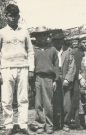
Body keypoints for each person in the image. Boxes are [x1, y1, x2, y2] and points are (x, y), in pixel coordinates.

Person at [0, 4, 34, 135]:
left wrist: (31, 69)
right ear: (6, 16)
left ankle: (23, 125)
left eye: (15, 15)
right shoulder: (1, 32)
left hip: (23, 68)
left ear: (19, 16)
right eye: (10, 15)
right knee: (6, 98)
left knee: (23, 98)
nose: (13, 18)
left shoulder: (24, 32)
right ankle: (8, 126)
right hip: (6, 68)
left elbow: (30, 51)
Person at [32, 26, 59, 134]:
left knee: (48, 103)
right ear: (36, 38)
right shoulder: (33, 50)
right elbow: (31, 65)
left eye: (44, 35)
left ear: (47, 37)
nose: (42, 38)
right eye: (39, 36)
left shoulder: (52, 49)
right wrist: (31, 81)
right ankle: (40, 125)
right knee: (38, 103)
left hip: (49, 78)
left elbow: (56, 66)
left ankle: (49, 125)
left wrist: (56, 80)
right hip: (37, 78)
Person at [51, 30, 76, 132]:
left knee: (66, 103)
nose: (59, 42)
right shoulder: (51, 50)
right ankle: (56, 124)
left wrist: (67, 79)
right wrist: (53, 79)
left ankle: (66, 123)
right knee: (55, 102)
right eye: (56, 40)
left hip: (65, 76)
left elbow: (72, 66)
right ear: (53, 41)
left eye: (60, 40)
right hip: (54, 77)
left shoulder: (68, 50)